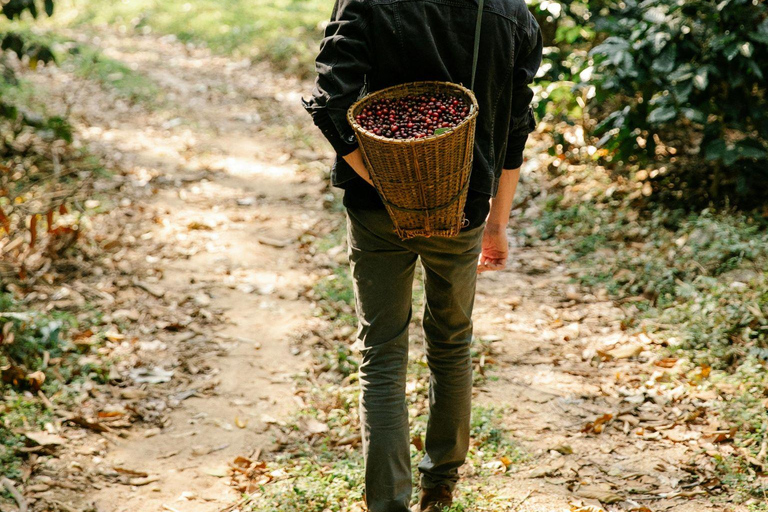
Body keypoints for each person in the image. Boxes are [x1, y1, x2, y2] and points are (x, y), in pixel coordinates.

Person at [302, 0, 542, 510]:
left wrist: (387, 181)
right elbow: (516, 127)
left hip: (375, 208)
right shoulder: (512, 13)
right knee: (451, 341)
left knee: (382, 351)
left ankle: (387, 502)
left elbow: (328, 100)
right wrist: (498, 224)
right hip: (465, 202)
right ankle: (441, 483)